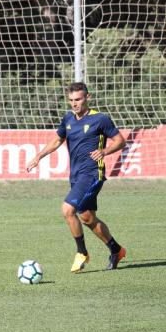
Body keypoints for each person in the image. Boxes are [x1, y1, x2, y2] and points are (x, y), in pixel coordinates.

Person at [26, 82, 127, 272]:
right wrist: (39, 156)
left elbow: (120, 141)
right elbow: (57, 140)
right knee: (87, 218)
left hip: (92, 173)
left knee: (67, 210)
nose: (75, 104)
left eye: (79, 99)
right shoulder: (68, 119)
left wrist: (104, 151)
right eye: (71, 100)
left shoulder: (100, 119)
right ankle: (116, 250)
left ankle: (82, 252)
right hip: (76, 175)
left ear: (87, 98)